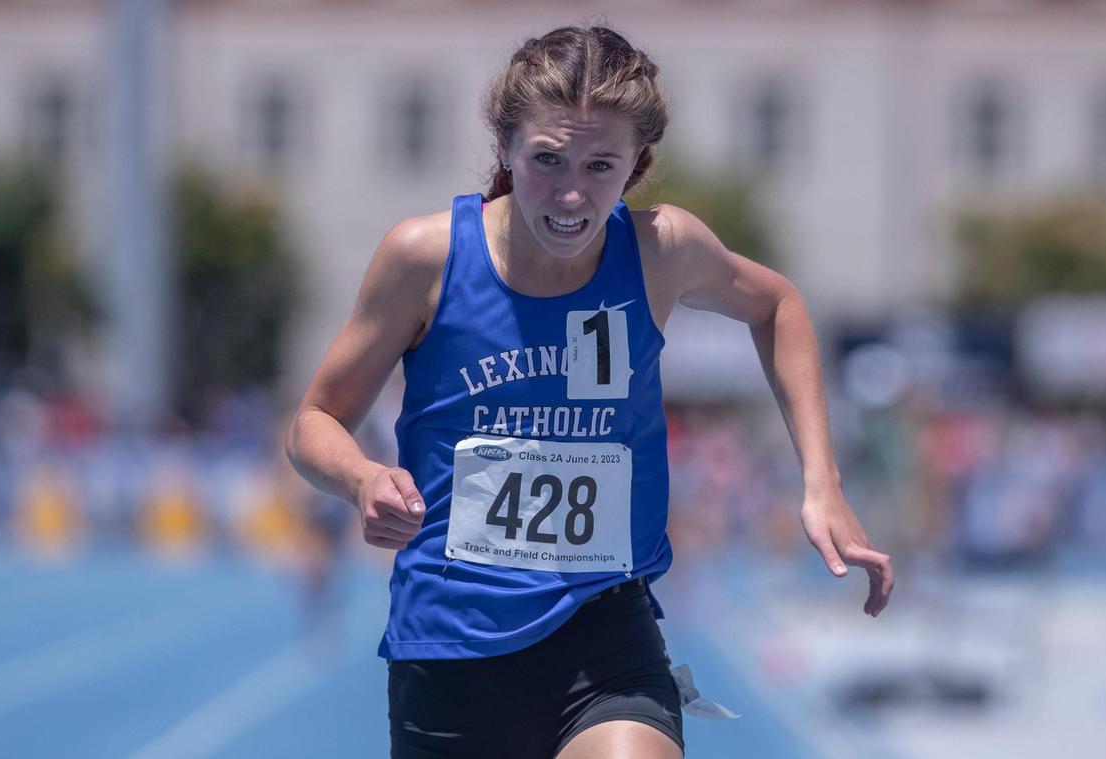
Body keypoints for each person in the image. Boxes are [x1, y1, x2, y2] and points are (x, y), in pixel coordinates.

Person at [286, 24, 894, 759]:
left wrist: (820, 481)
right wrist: (360, 478)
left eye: (600, 165)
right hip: (452, 640)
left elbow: (778, 305)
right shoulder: (427, 259)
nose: (572, 193)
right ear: (506, 148)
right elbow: (314, 420)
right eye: (547, 160)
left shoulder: (661, 251)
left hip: (605, 633)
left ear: (638, 165)